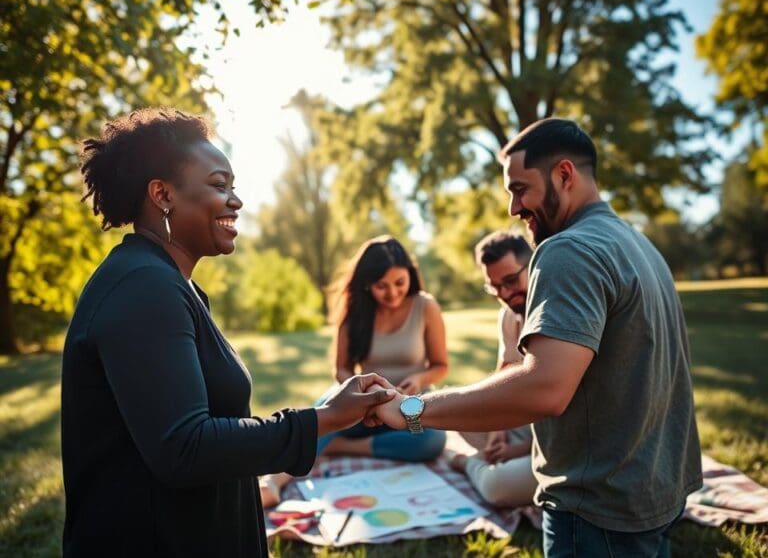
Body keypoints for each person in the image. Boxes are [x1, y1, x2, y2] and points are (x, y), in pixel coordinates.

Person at [60, 108, 396, 558]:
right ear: (162, 194)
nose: (235, 200)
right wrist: (324, 418)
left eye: (234, 187)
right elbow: (185, 448)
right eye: (219, 186)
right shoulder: (142, 287)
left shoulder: (171, 284)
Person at [369, 118, 702, 557]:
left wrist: (411, 409)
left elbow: (544, 389)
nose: (513, 207)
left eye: (520, 188)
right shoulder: (640, 246)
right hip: (655, 493)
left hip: (596, 511)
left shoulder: (568, 250)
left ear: (564, 175)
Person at [260, 236, 449, 507]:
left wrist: (420, 379)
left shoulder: (425, 306)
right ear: (367, 284)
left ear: (411, 274)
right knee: (321, 413)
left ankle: (341, 446)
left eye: (399, 282)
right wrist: (369, 391)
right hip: (365, 405)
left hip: (410, 407)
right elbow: (341, 369)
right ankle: (274, 480)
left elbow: (441, 366)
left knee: (432, 440)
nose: (393, 293)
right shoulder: (355, 311)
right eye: (381, 286)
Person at [445, 231, 538, 508]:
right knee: (453, 413)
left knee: (497, 487)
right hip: (524, 425)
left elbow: (565, 423)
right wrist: (498, 429)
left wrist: (514, 450)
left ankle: (468, 464)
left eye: (510, 281)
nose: (505, 294)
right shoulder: (509, 315)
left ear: (533, 266)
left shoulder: (553, 314)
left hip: (558, 441)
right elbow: (504, 375)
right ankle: (496, 459)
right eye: (495, 287)